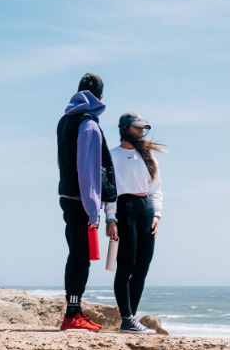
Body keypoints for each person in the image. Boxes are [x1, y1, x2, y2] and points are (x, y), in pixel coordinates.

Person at [56, 73, 116, 332]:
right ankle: (71, 315)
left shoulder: (64, 120)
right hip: (82, 200)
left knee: (77, 254)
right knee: (81, 256)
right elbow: (88, 171)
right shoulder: (89, 124)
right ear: (99, 97)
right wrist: (94, 211)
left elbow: (63, 163)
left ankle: (75, 310)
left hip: (68, 195)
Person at [105, 113, 165, 334]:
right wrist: (110, 218)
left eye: (143, 128)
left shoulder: (147, 155)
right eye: (137, 128)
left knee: (142, 267)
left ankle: (132, 318)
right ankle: (126, 318)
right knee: (126, 265)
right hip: (124, 208)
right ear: (125, 128)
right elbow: (109, 191)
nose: (141, 132)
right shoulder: (111, 155)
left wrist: (157, 216)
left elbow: (156, 188)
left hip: (145, 209)